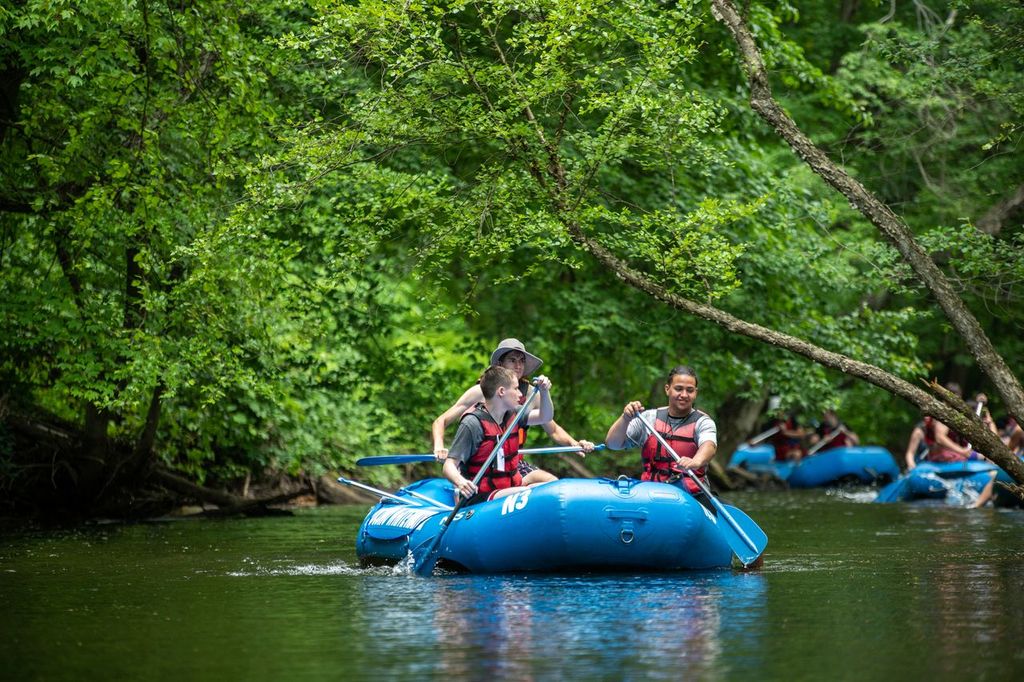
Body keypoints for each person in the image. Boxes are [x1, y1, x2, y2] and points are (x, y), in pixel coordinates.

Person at [432, 338, 594, 485]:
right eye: (512, 360)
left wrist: (575, 444)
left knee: (552, 483)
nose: (518, 365)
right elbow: (441, 421)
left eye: (522, 361)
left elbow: (552, 428)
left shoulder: (532, 394)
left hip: (513, 463)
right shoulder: (482, 391)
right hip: (482, 463)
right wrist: (439, 446)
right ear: (500, 364)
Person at [605, 365, 718, 511]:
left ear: (695, 393)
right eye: (678, 389)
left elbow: (709, 446)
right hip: (650, 493)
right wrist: (625, 418)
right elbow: (613, 444)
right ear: (667, 389)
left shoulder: (703, 422)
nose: (684, 394)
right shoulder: (648, 419)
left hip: (691, 496)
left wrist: (696, 461)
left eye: (689, 390)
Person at [442, 366, 553, 506]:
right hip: (479, 497)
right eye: (516, 388)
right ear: (501, 391)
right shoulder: (473, 424)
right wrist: (461, 482)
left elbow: (545, 416)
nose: (520, 394)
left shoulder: (515, 413)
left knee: (549, 486)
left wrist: (544, 392)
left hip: (507, 488)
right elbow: (449, 465)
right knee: (532, 492)